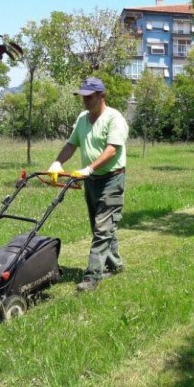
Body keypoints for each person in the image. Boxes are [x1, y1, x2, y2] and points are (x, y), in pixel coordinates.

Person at [48, 77, 129, 292]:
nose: (84, 100)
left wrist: (89, 168)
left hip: (112, 179)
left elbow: (112, 149)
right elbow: (71, 144)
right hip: (91, 181)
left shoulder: (114, 118)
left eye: (89, 96)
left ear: (101, 96)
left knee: (103, 228)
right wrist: (58, 162)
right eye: (82, 96)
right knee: (100, 226)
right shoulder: (83, 118)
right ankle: (115, 264)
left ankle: (92, 277)